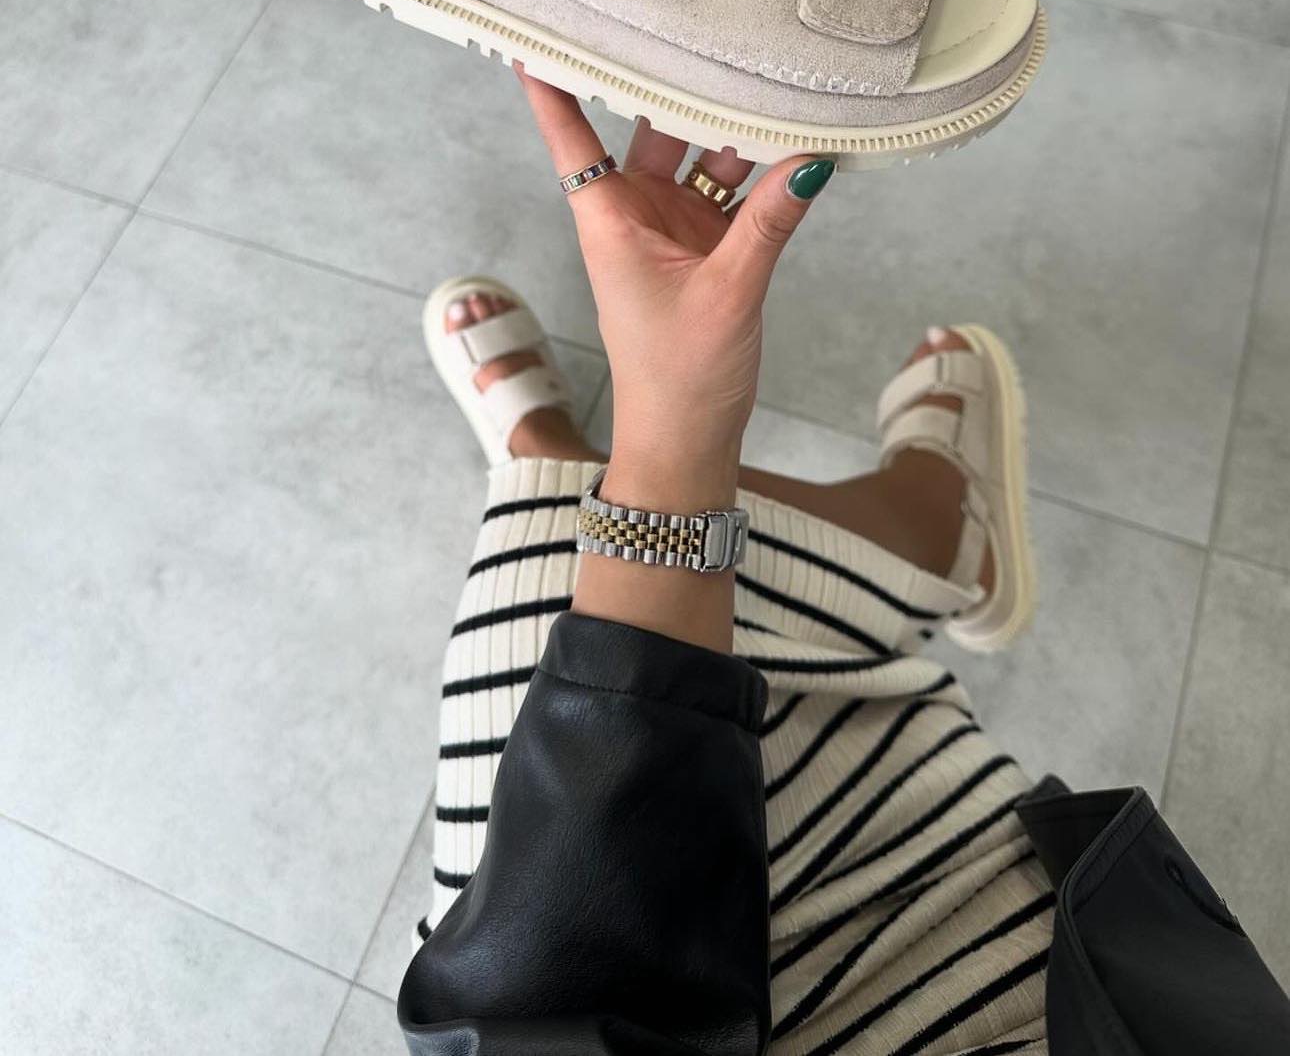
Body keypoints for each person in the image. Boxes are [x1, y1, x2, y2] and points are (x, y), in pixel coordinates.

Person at [396, 70, 1290, 1056]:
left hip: (604, 993)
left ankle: (556, 461)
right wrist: (673, 423)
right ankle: (939, 526)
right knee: (568, 565)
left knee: (541, 595)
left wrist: (672, 430)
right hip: (1003, 973)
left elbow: (545, 1011)